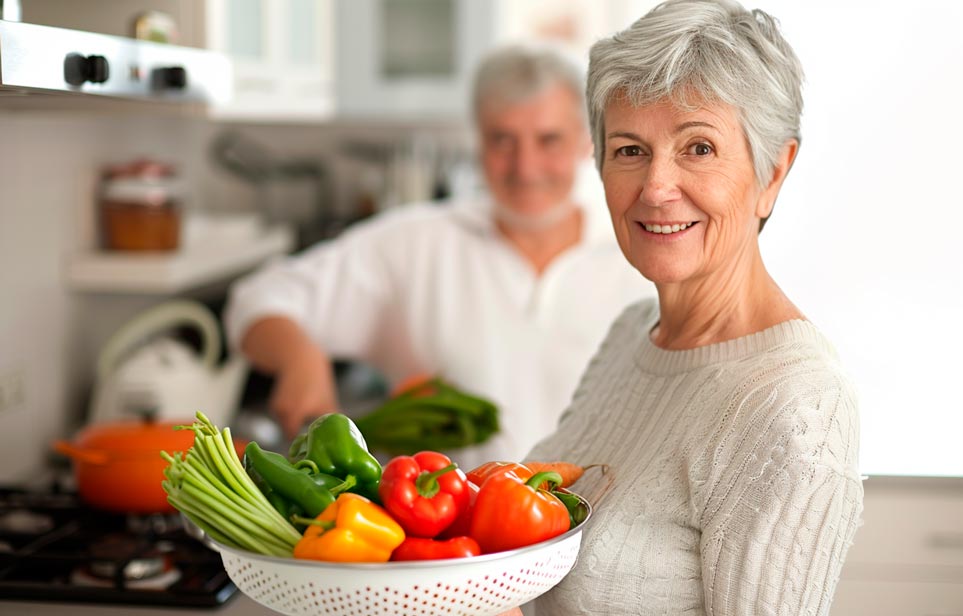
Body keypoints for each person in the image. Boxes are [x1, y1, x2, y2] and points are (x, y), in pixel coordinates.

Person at [499, 1, 864, 615]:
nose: (656, 188)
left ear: (773, 172)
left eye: (698, 147)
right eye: (630, 150)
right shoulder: (631, 335)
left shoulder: (796, 408)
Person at [223, 45, 655, 470]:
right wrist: (300, 355)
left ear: (588, 142)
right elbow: (257, 298)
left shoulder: (642, 251)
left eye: (549, 140)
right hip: (447, 533)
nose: (525, 166)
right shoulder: (415, 242)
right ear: (478, 139)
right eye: (502, 140)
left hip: (603, 525)